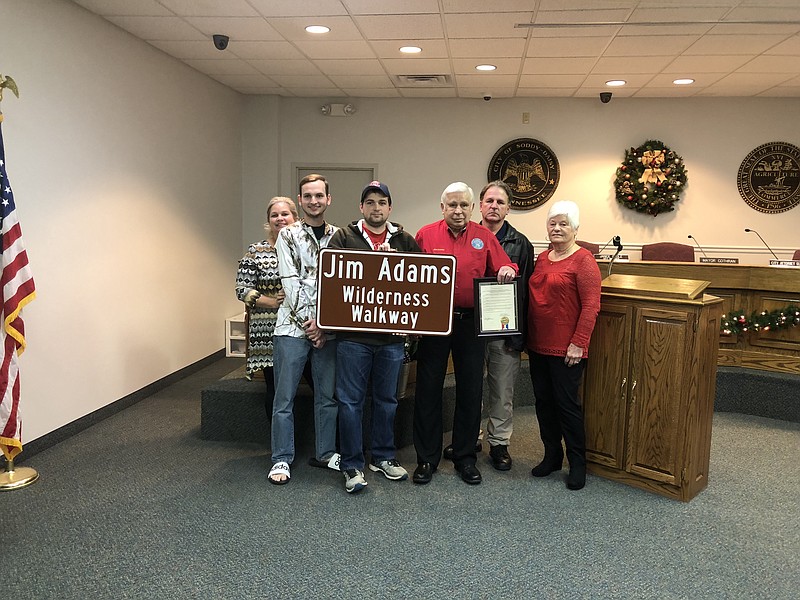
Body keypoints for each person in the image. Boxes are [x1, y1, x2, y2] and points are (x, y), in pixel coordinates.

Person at [412, 182, 518, 486]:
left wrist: (508, 269)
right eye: (452, 205)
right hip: (434, 323)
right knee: (428, 389)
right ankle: (426, 459)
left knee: (470, 390)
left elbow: (505, 265)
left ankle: (464, 458)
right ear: (442, 207)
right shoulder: (425, 235)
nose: (458, 211)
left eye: (464, 206)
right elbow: (408, 274)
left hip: (471, 324)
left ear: (472, 209)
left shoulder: (484, 237)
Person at [328, 181, 421, 493]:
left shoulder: (405, 240)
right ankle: (352, 464)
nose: (376, 208)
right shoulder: (342, 238)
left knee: (387, 401)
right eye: (370, 202)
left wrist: (395, 265)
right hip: (353, 338)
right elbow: (333, 282)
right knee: (350, 403)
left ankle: (382, 457)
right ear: (361, 207)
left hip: (391, 339)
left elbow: (420, 285)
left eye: (382, 202)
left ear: (390, 208)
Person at [268, 174, 340, 485]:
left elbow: (341, 285)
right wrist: (311, 325)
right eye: (307, 196)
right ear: (300, 200)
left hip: (328, 330)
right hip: (292, 328)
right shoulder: (287, 236)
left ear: (328, 199)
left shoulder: (341, 237)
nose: (313, 201)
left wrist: (323, 326)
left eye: (319, 195)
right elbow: (291, 282)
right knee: (284, 398)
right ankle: (281, 458)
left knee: (327, 396)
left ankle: (326, 452)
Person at [526, 200, 601, 491]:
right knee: (543, 404)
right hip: (537, 344)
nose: (557, 228)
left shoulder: (584, 260)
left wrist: (578, 343)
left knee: (567, 406)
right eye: (552, 223)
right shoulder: (543, 258)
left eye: (563, 224)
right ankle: (552, 455)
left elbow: (592, 305)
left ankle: (577, 463)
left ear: (575, 229)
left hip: (567, 349)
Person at [235, 197, 298, 414]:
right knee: (276, 389)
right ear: (268, 221)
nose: (280, 219)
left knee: (316, 385)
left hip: (302, 329)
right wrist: (272, 302)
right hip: (268, 330)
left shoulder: (304, 249)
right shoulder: (256, 252)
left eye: (285, 214)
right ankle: (279, 444)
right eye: (275, 215)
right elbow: (242, 289)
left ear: (295, 218)